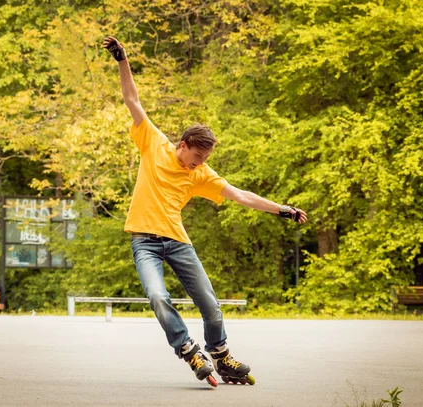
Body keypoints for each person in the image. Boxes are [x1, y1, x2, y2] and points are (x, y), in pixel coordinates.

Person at [103, 36, 308, 384]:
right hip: (145, 242)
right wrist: (123, 59)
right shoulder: (154, 144)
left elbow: (241, 195)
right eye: (198, 157)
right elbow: (131, 99)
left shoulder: (201, 174)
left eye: (205, 160)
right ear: (182, 146)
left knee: (211, 305)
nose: (200, 164)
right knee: (156, 295)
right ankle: (188, 350)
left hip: (178, 242)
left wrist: (281, 210)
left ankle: (221, 356)